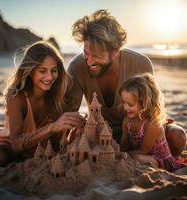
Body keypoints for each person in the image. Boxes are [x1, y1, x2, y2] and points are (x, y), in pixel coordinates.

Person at [66, 9, 186, 157]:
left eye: (96, 55)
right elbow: (68, 113)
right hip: (101, 133)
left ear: (115, 51)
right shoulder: (76, 67)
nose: (89, 61)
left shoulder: (140, 64)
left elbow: (154, 110)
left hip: (137, 132)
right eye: (86, 53)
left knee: (177, 136)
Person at [0, 41, 84, 167]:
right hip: (13, 146)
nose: (49, 77)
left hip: (42, 148)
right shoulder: (17, 96)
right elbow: (16, 144)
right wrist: (53, 126)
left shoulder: (56, 94)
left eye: (53, 70)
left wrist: (78, 124)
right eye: (42, 71)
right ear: (31, 71)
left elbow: (60, 138)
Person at [119, 73, 186, 171]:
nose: (125, 107)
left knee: (137, 158)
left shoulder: (153, 123)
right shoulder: (127, 121)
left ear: (144, 103)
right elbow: (124, 143)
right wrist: (120, 152)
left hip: (159, 159)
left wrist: (124, 155)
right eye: (123, 102)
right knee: (133, 157)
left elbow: (144, 150)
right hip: (141, 155)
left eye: (130, 104)